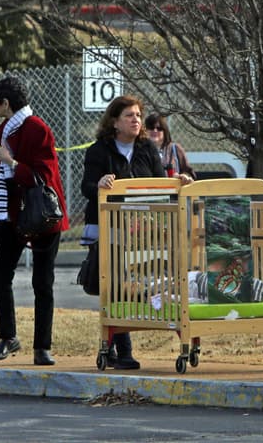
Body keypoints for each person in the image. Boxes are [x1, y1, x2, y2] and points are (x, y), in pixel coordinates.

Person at [81, 95, 192, 369]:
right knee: (117, 284)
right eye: (129, 115)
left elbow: (158, 183)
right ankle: (121, 349)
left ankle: (153, 319)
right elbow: (86, 186)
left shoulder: (146, 149)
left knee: (144, 282)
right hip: (112, 228)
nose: (136, 120)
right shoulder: (99, 150)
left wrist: (177, 182)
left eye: (138, 116)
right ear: (115, 121)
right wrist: (100, 183)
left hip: (145, 230)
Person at [0, 77, 69, 366]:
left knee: (42, 282)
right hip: (11, 215)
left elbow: (43, 178)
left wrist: (13, 164)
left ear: (5, 103)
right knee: (0, 276)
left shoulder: (36, 129)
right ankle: (8, 336)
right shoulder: (7, 132)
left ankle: (42, 347)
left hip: (41, 215)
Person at [144, 113, 194, 179]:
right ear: (145, 130)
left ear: (165, 130)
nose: (155, 130)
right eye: (151, 127)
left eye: (159, 128)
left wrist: (183, 176)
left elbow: (189, 173)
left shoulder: (175, 149)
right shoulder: (140, 150)